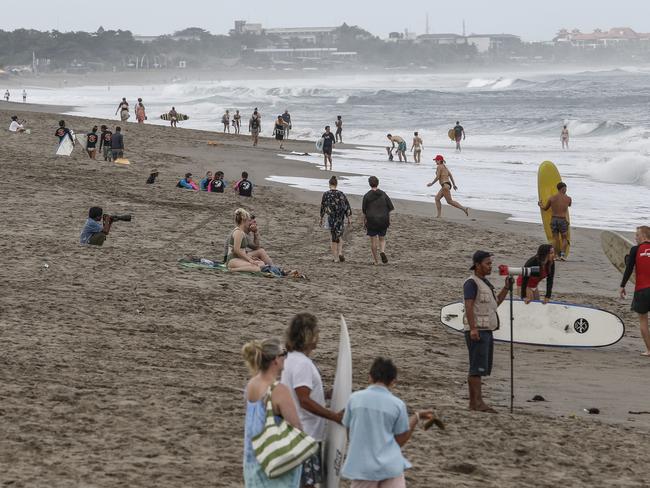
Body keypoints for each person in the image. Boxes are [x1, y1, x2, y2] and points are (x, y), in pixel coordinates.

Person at [341, 357, 433, 488]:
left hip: (364, 466)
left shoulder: (354, 399)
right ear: (393, 381)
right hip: (391, 465)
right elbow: (400, 440)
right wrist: (416, 417)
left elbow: (349, 431)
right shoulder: (398, 404)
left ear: (370, 377)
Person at [281, 313, 344, 488]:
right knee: (306, 485)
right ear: (309, 335)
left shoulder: (291, 359)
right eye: (317, 332)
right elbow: (304, 400)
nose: (319, 335)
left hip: (295, 433)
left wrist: (328, 394)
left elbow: (300, 394)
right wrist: (334, 416)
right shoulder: (302, 364)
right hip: (305, 435)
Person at [242, 337, 303, 487]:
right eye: (284, 353)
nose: (286, 357)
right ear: (275, 359)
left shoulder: (252, 384)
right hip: (274, 466)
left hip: (253, 461)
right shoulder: (279, 390)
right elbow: (297, 428)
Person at [463, 251, 512, 412]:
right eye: (488, 263)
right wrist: (473, 328)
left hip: (487, 330)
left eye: (490, 263)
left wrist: (506, 287)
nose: (490, 266)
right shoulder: (471, 283)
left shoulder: (485, 283)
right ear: (477, 265)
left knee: (480, 367)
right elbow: (468, 306)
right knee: (476, 368)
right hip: (478, 331)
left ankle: (474, 403)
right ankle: (477, 403)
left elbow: (495, 303)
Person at [620, 225, 650, 356]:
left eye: (637, 235)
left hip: (642, 290)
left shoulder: (635, 250)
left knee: (643, 320)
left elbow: (629, 269)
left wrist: (622, 286)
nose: (635, 237)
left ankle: (649, 350)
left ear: (643, 236)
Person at [362, 176, 394, 265]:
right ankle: (382, 251)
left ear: (369, 184)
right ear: (378, 183)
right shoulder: (383, 194)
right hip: (383, 219)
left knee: (373, 241)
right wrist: (388, 217)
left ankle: (376, 261)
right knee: (382, 239)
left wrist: (364, 221)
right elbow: (390, 208)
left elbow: (364, 211)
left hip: (371, 219)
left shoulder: (367, 196)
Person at [320, 176, 352, 263]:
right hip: (340, 218)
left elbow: (323, 207)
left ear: (329, 184)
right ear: (336, 184)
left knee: (333, 237)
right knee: (340, 235)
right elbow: (347, 207)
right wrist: (349, 218)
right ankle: (340, 252)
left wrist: (321, 218)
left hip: (331, 218)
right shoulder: (341, 194)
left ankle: (335, 258)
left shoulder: (326, 194)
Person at [538, 182, 571, 261]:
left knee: (555, 239)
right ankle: (562, 255)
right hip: (562, 220)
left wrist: (540, 205)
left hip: (554, 220)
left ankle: (555, 256)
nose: (566, 190)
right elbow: (569, 205)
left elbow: (545, 208)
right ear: (563, 188)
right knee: (564, 238)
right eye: (566, 188)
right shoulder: (568, 198)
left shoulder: (552, 198)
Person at [226, 208, 265, 272]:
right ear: (243, 221)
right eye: (248, 220)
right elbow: (236, 250)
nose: (249, 223)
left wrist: (249, 258)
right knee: (257, 268)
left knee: (262, 264)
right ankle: (233, 270)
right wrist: (249, 260)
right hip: (233, 260)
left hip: (238, 258)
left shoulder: (242, 232)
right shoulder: (238, 232)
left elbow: (253, 247)